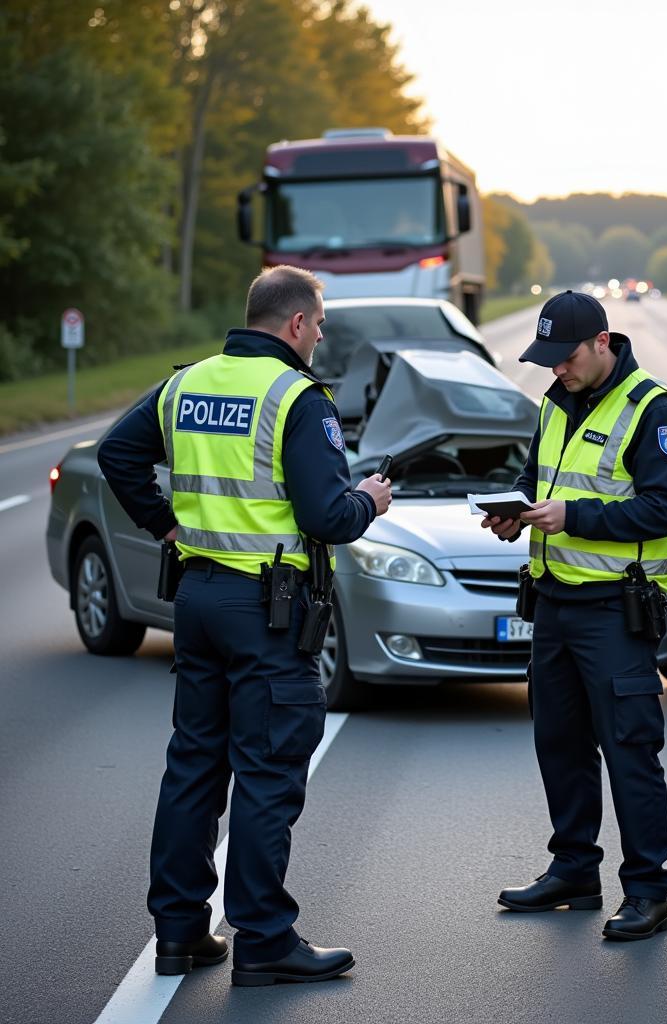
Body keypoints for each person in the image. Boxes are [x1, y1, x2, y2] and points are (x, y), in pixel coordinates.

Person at [97, 266, 392, 986]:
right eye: (318, 325)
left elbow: (117, 453)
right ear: (294, 323)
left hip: (197, 598)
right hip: (268, 609)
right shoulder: (297, 398)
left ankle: (180, 933)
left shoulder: (186, 383)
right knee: (266, 772)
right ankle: (263, 938)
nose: (320, 336)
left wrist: (165, 525)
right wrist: (370, 500)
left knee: (194, 765)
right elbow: (327, 517)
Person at [483, 290, 667, 941]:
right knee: (560, 744)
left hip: (614, 612)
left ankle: (647, 892)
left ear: (603, 342)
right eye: (547, 360)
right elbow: (537, 476)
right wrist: (514, 509)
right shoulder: (556, 401)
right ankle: (574, 869)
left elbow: (665, 509)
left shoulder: (652, 409)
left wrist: (574, 517)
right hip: (553, 605)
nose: (556, 370)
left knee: (630, 749)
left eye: (565, 357)